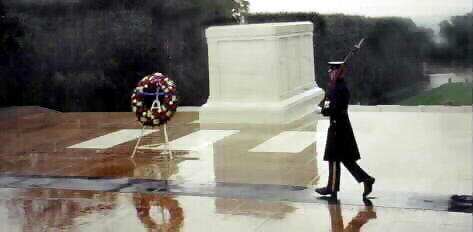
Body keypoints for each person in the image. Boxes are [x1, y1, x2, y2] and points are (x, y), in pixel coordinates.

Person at [315, 61, 375, 199]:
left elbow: (336, 109)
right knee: (346, 160)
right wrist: (326, 100)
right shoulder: (335, 87)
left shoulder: (340, 89)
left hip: (339, 128)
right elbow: (331, 101)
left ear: (337, 72)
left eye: (332, 71)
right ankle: (366, 180)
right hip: (339, 126)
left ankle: (332, 187)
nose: (330, 73)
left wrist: (323, 111)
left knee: (334, 158)